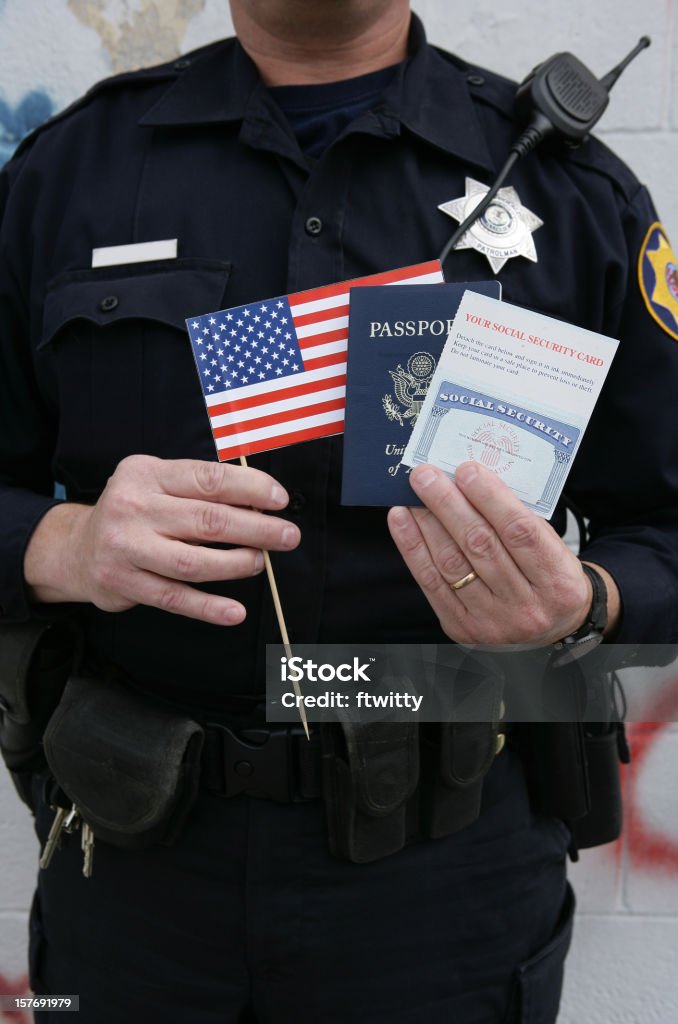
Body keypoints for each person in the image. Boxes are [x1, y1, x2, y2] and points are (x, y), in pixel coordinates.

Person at [1, 1, 677, 1021]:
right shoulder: (69, 175)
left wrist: (587, 599)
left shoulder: (569, 191)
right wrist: (62, 541)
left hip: (447, 882)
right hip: (138, 875)